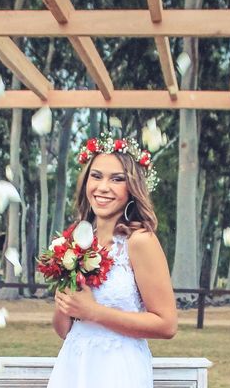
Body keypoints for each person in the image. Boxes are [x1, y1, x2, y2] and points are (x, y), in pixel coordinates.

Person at [47, 134, 177, 388]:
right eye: (96, 176)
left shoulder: (140, 242)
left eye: (116, 179)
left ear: (132, 188)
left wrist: (94, 311)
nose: (103, 187)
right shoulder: (79, 240)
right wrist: (65, 302)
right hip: (74, 367)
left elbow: (167, 324)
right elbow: (65, 330)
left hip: (118, 371)